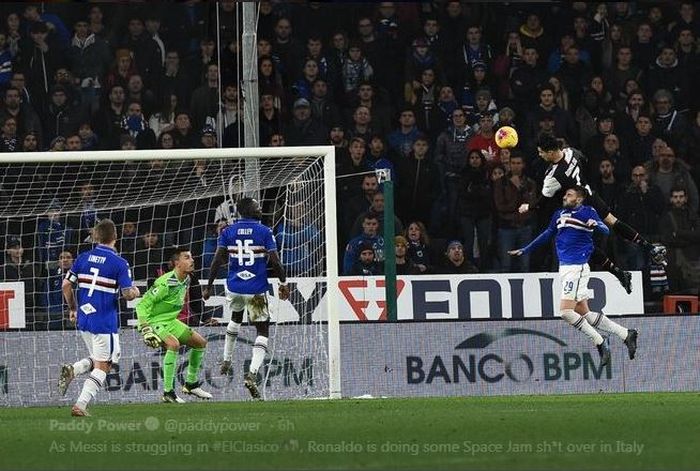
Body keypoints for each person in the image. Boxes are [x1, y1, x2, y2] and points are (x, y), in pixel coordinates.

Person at [510, 187, 638, 366]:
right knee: (583, 312)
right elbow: (547, 234)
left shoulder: (587, 212)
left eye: (569, 195)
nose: (565, 196)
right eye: (565, 194)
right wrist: (526, 249)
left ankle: (600, 341)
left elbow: (605, 230)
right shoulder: (559, 214)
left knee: (565, 312)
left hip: (577, 267)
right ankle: (626, 334)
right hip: (565, 267)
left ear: (579, 199)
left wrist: (596, 224)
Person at [523, 134, 666, 291]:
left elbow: (542, 203)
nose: (540, 155)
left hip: (576, 210)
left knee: (582, 245)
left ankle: (619, 272)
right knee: (612, 221)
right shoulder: (571, 152)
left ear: (550, 152)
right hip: (590, 196)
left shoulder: (552, 177)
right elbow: (584, 159)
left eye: (541, 152)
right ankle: (649, 247)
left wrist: (528, 207)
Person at [202, 197, 290, 399]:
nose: (260, 209)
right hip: (256, 290)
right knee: (262, 329)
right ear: (248, 210)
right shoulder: (264, 231)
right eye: (257, 206)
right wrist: (283, 283)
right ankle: (252, 374)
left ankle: (226, 360)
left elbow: (217, 259)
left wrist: (207, 286)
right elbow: (275, 262)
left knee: (235, 318)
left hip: (234, 287)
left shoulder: (227, 231)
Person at [58, 219, 140, 416]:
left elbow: (65, 285)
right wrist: (135, 291)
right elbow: (128, 293)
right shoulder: (120, 263)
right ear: (115, 237)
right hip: (104, 320)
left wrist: (73, 308)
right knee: (104, 365)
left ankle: (74, 369)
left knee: (103, 358)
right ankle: (81, 405)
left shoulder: (83, 258)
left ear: (96, 237)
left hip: (84, 318)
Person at [135, 247, 212, 403]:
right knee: (173, 344)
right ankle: (168, 392)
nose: (192, 260)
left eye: (191, 257)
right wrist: (145, 328)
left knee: (200, 343)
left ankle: (191, 384)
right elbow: (141, 305)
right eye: (187, 257)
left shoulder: (188, 278)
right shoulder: (165, 283)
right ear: (177, 263)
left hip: (170, 321)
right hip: (154, 321)